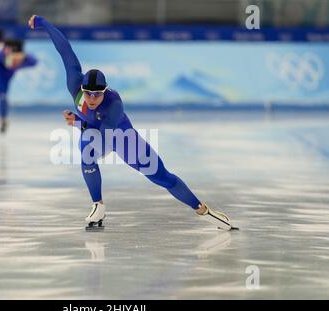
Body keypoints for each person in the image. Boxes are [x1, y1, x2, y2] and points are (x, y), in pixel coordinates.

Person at [28, 15, 236, 231]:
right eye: (88, 94)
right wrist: (43, 22)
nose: (91, 98)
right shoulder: (74, 83)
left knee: (161, 176)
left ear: (104, 91)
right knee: (86, 154)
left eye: (96, 95)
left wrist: (77, 122)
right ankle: (97, 205)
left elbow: (102, 132)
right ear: (81, 89)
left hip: (121, 136)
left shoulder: (114, 103)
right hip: (98, 132)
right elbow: (65, 50)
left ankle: (202, 209)